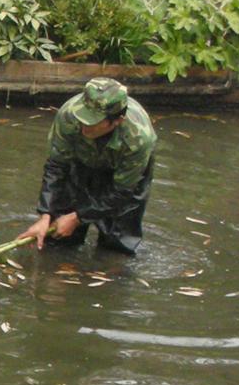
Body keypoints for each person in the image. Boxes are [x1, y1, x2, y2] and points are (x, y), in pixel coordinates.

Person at [20, 77, 157, 255]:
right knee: (59, 233)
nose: (85, 126)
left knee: (117, 239)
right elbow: (57, 166)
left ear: (117, 120)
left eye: (93, 121)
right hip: (81, 159)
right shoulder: (69, 115)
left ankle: (110, 268)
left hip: (122, 171)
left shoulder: (138, 139)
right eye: (83, 117)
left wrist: (78, 217)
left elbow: (123, 191)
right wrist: (45, 214)